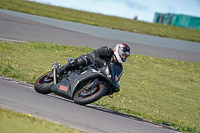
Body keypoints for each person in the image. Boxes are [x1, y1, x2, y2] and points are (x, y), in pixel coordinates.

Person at [51, 43, 131, 77]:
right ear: (117, 51)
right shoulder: (108, 50)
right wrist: (99, 60)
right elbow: (94, 52)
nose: (123, 57)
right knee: (80, 61)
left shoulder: (118, 66)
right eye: (123, 55)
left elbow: (116, 77)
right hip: (89, 62)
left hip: (97, 72)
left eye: (125, 56)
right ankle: (59, 71)